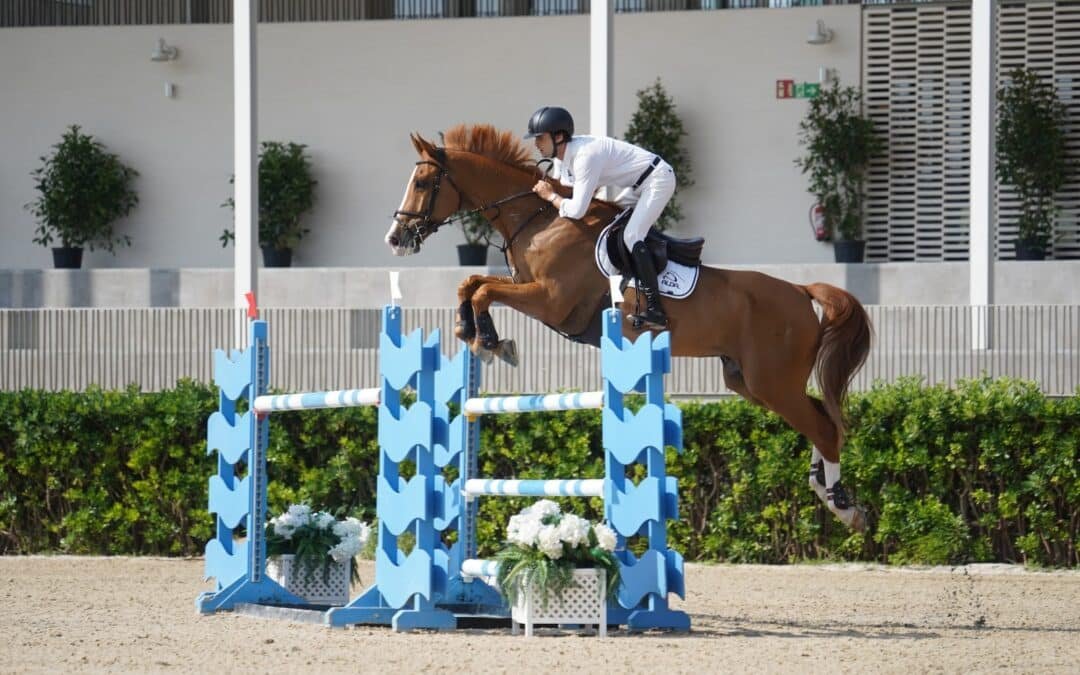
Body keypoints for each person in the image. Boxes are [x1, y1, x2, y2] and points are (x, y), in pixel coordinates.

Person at [526, 106, 676, 330]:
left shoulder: (585, 156)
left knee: (631, 235)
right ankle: (619, 294)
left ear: (558, 137)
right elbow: (567, 191)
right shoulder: (560, 158)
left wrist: (550, 196)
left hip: (657, 179)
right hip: (637, 186)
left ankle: (656, 310)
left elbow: (576, 210)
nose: (536, 143)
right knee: (608, 227)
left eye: (540, 137)